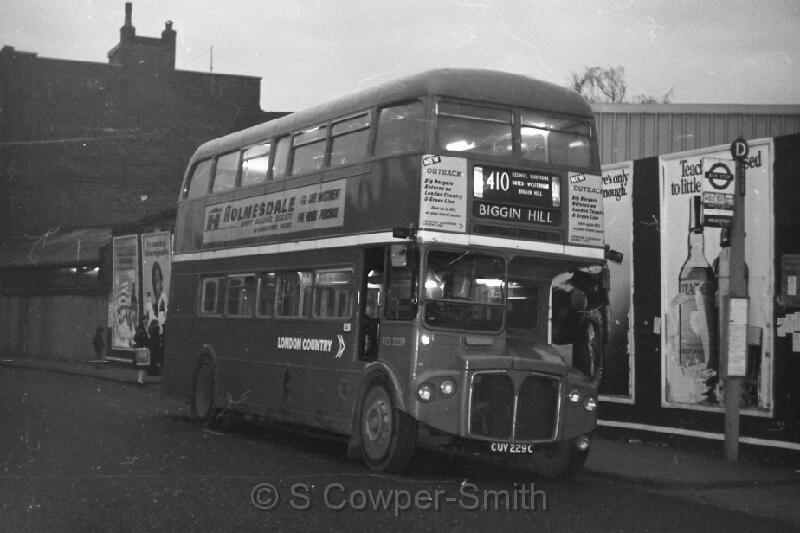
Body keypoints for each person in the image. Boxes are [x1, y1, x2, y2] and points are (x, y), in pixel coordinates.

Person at [133, 319, 150, 385]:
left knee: (142, 366)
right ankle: (140, 380)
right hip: (142, 349)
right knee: (142, 366)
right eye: (146, 321)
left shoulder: (140, 330)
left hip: (140, 349)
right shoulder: (142, 330)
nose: (147, 322)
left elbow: (135, 338)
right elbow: (144, 339)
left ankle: (140, 380)